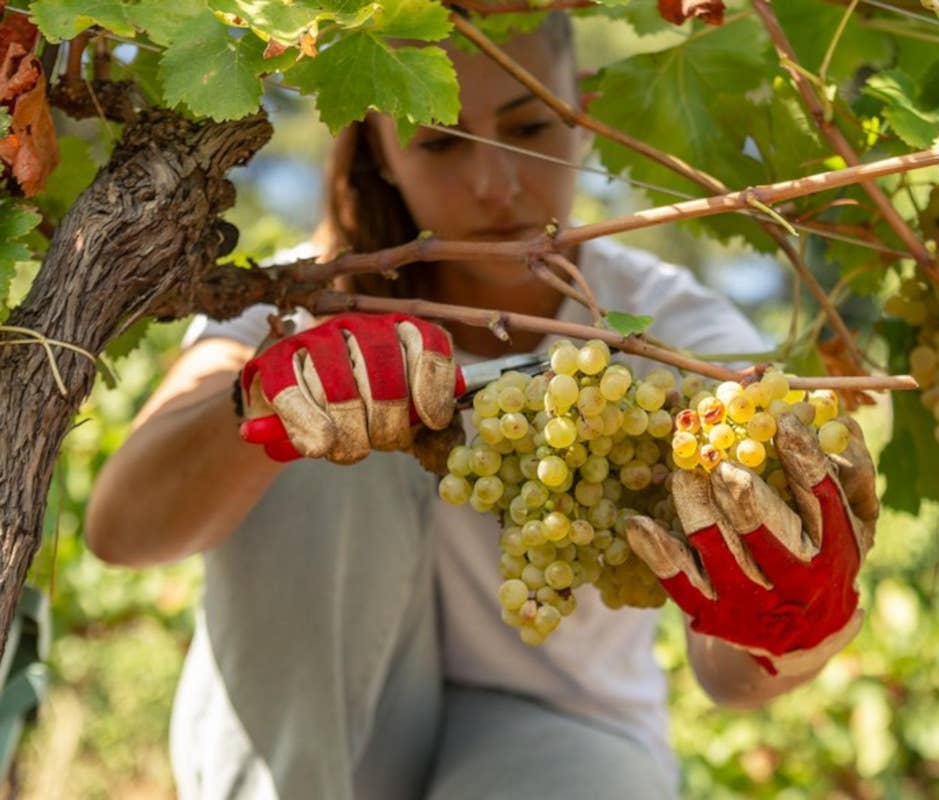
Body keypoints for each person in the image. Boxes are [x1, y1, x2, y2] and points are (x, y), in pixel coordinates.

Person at [85, 11, 878, 800]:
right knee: (308, 429)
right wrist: (258, 406)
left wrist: (786, 634)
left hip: (563, 730)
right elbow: (121, 530)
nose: (495, 184)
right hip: (315, 746)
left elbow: (726, 677)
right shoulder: (295, 303)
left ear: (584, 112)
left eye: (528, 127)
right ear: (382, 154)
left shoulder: (676, 337)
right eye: (439, 141)